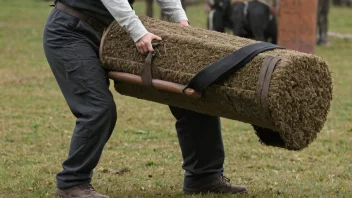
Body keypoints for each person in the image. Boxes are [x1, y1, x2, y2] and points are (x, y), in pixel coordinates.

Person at [43, 0, 248, 197]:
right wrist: (138, 32)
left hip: (112, 30)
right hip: (71, 32)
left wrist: (181, 21)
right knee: (97, 109)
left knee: (191, 88)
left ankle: (204, 177)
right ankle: (71, 183)